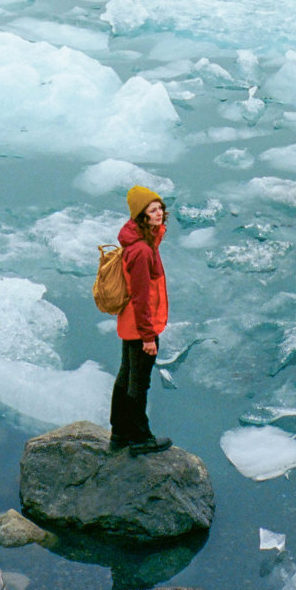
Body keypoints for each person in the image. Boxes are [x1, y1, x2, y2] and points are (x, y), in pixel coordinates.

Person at [109, 185, 173, 457]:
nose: (159, 214)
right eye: (152, 210)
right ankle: (140, 437)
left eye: (160, 208)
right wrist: (148, 337)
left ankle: (119, 433)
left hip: (131, 323)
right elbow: (141, 297)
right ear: (141, 215)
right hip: (141, 326)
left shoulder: (141, 241)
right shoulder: (142, 251)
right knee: (138, 383)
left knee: (126, 377)